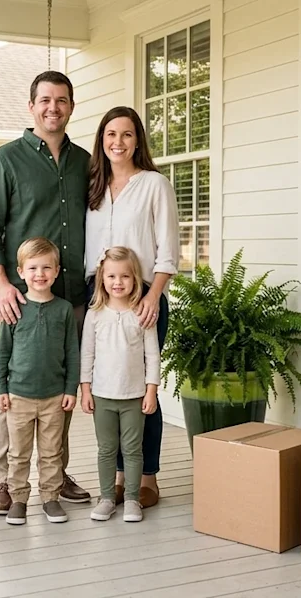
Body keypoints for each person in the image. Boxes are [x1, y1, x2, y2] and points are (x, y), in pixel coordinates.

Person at [0, 70, 93, 514]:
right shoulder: (5, 160)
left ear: (71, 106)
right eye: (45, 100)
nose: (53, 108)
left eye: (61, 100)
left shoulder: (85, 162)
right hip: (20, 297)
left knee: (59, 388)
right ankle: (3, 482)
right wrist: (1, 283)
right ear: (31, 106)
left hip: (71, 297)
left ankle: (54, 475)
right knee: (15, 392)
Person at [83, 106, 180, 510]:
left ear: (137, 139)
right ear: (101, 141)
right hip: (99, 294)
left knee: (143, 391)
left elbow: (168, 249)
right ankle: (118, 479)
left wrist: (153, 296)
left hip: (142, 292)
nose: (117, 142)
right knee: (109, 387)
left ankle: (147, 478)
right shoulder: (92, 187)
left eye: (125, 134)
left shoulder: (154, 184)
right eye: (110, 134)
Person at [0, 237, 80, 526]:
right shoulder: (14, 308)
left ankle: (50, 498)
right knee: (18, 453)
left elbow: (72, 353)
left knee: (51, 452)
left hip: (54, 397)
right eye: (32, 268)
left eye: (46, 268)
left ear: (56, 271)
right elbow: (2, 353)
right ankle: (18, 500)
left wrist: (71, 390)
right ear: (20, 272)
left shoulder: (64, 310)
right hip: (18, 396)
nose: (39, 274)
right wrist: (0, 390)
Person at [80, 247, 159, 523]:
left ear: (135, 279)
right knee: (106, 449)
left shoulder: (142, 314)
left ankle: (133, 499)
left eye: (125, 276)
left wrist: (151, 390)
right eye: (111, 276)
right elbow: (86, 354)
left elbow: (152, 355)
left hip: (134, 397)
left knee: (133, 449)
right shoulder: (95, 314)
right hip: (102, 396)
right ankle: (106, 498)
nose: (118, 282)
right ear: (102, 278)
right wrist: (85, 389)